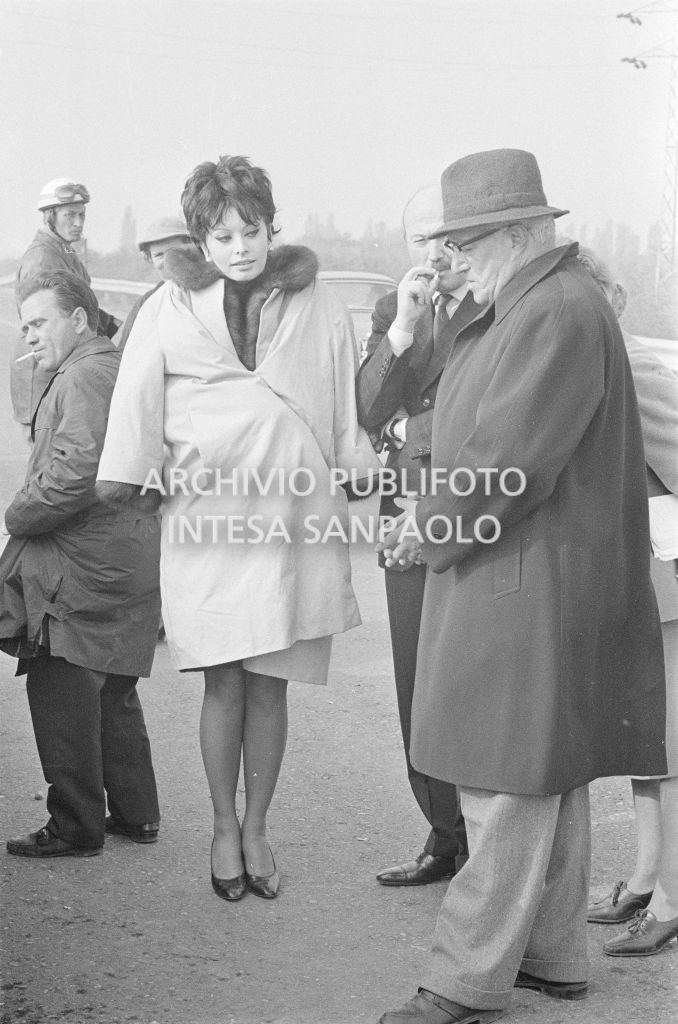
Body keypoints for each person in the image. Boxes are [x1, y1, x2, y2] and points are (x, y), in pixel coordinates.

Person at [375, 149, 666, 1024]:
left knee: (501, 777)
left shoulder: (549, 311)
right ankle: (553, 955)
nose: (451, 257)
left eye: (463, 240)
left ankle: (465, 979)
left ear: (514, 233)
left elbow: (504, 464)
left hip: (524, 580)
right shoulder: (546, 302)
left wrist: (423, 529)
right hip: (539, 578)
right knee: (548, 771)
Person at [95, 154, 379, 901]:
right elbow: (135, 401)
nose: (240, 246)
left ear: (269, 226)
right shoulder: (167, 306)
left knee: (271, 684)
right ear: (201, 239)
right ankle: (223, 827)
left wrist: (353, 460)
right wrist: (138, 476)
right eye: (222, 235)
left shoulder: (314, 299)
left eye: (251, 230)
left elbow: (342, 391)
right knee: (222, 680)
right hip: (208, 516)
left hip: (290, 512)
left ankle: (260, 828)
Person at [0, 271, 161, 857]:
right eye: (24, 326)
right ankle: (137, 813)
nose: (30, 336)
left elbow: (75, 472)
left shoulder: (86, 375)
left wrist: (16, 516)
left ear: (78, 319)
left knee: (61, 681)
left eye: (40, 322)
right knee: (111, 686)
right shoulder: (99, 367)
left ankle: (74, 825)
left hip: (84, 565)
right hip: (120, 555)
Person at [356, 184, 478, 887]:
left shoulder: (497, 305)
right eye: (422, 240)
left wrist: (410, 431)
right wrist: (401, 329)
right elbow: (368, 406)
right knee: (414, 678)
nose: (436, 252)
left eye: (446, 235)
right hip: (403, 512)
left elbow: (484, 411)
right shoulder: (390, 311)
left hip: (473, 511)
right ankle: (443, 834)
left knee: (471, 673)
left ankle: (487, 839)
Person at [576, 247, 678, 956]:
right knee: (647, 739)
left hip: (664, 566)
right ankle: (648, 878)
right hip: (637, 567)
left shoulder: (632, 364)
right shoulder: (606, 358)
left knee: (666, 741)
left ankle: (669, 899)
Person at [11, 179, 120, 428]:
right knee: (51, 457)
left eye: (82, 215)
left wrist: (117, 326)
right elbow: (51, 322)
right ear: (50, 216)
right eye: (70, 215)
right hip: (45, 369)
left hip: (61, 366)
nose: (78, 223)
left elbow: (80, 307)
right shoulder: (42, 258)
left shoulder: (64, 250)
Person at [116, 215, 194, 351]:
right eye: (159, 255)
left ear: (192, 248)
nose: (168, 261)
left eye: (174, 251)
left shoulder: (215, 291)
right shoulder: (146, 303)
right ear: (149, 259)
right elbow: (125, 355)